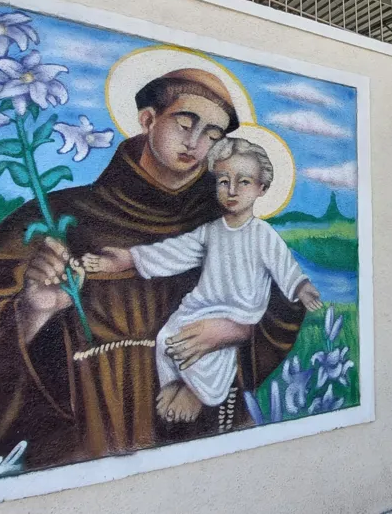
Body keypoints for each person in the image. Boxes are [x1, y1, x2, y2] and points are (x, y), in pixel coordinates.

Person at [0, 68, 306, 483]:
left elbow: (280, 304)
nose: (196, 142)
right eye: (185, 124)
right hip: (86, 436)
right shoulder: (58, 219)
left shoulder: (225, 224)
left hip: (202, 426)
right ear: (148, 120)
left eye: (213, 135)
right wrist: (30, 313)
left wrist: (232, 332)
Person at [81, 138, 323, 424]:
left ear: (262, 188)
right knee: (167, 337)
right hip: (201, 304)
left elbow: (284, 266)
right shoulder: (210, 232)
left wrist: (301, 287)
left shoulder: (262, 234)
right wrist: (130, 259)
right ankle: (172, 384)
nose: (231, 190)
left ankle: (197, 393)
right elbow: (175, 252)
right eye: (223, 181)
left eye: (243, 181)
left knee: (208, 352)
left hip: (237, 311)